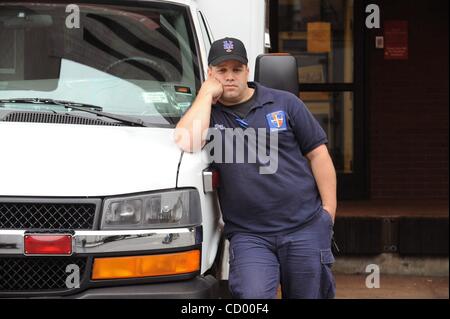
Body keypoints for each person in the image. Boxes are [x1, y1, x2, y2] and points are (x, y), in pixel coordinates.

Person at [174, 37, 337, 299]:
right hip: (250, 237)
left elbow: (318, 154)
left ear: (247, 71)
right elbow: (186, 141)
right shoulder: (209, 114)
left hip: (304, 227)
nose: (230, 77)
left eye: (236, 70)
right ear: (210, 73)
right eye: (222, 70)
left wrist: (328, 213)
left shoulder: (285, 103)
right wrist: (205, 94)